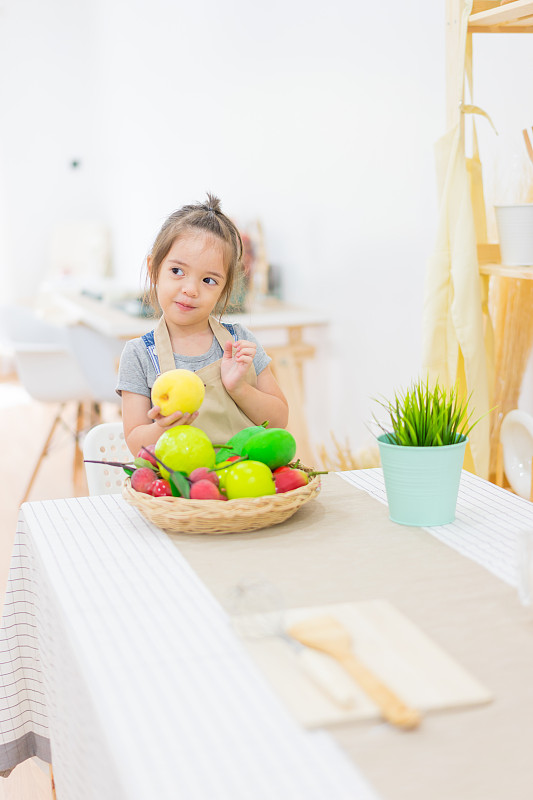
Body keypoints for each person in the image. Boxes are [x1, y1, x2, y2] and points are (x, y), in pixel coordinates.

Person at [116, 194, 289, 455]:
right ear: (154, 269)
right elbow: (135, 442)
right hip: (182, 489)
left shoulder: (240, 343)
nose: (190, 289)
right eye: (177, 271)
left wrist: (239, 388)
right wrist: (164, 427)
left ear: (224, 289)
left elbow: (279, 421)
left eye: (209, 280)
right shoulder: (139, 355)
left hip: (244, 486)